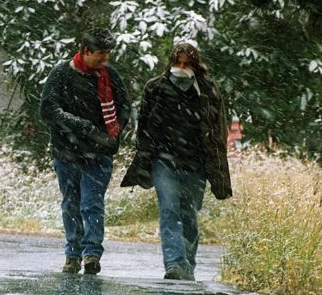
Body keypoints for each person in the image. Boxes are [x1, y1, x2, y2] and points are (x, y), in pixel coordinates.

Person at [121, 41, 232, 280]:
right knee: (169, 209)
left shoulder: (208, 90)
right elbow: (145, 126)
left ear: (195, 65)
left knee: (189, 213)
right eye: (177, 63)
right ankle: (174, 264)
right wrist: (145, 156)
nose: (181, 68)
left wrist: (217, 165)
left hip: (196, 163)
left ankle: (188, 265)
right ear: (171, 63)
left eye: (186, 64)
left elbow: (218, 128)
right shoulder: (156, 87)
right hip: (164, 161)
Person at [40, 28, 130, 275]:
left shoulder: (110, 76)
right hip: (66, 153)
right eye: (101, 54)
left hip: (99, 153)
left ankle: (91, 254)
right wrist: (79, 126)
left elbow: (124, 107)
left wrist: (114, 134)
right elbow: (48, 110)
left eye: (108, 54)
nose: (105, 59)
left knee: (92, 204)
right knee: (71, 203)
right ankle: (72, 254)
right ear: (85, 51)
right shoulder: (61, 74)